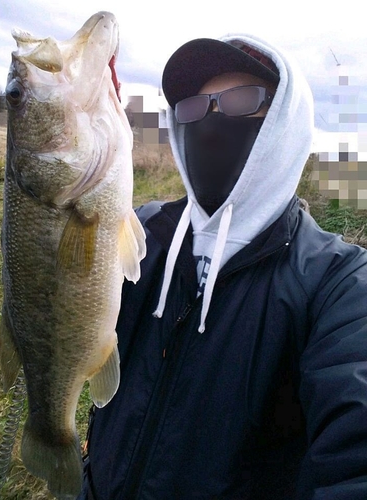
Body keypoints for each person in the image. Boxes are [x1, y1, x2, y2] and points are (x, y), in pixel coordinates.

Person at [78, 33, 367, 499]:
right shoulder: (142, 234)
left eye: (239, 100)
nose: (211, 121)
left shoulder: (338, 285)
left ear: (284, 122)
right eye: (194, 106)